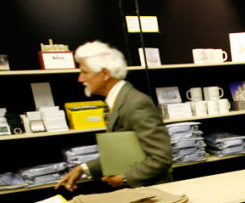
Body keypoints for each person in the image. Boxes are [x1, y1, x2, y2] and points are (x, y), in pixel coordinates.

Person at [56, 41, 173, 191]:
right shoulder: (118, 102)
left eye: (85, 72)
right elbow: (123, 152)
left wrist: (124, 178)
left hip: (153, 193)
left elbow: (161, 157)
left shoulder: (136, 103)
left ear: (105, 74)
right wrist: (83, 168)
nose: (80, 79)